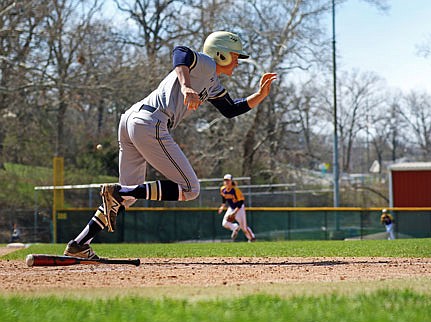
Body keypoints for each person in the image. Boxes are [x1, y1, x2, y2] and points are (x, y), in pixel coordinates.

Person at [63, 31, 276, 258]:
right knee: (190, 189)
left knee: (127, 197)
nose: (237, 61)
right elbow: (180, 52)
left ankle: (79, 244)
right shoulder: (205, 63)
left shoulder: (212, 81)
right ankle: (118, 192)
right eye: (235, 56)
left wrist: (259, 95)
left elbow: (231, 109)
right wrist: (186, 86)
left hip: (132, 120)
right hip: (150, 122)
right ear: (220, 54)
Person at [218, 174, 255, 242]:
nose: (226, 182)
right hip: (231, 208)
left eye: (228, 180)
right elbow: (224, 198)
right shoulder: (222, 189)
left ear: (231, 181)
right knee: (225, 223)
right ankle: (235, 227)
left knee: (244, 227)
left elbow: (240, 202)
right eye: (225, 180)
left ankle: (252, 238)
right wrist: (222, 206)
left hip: (239, 209)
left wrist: (234, 212)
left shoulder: (235, 190)